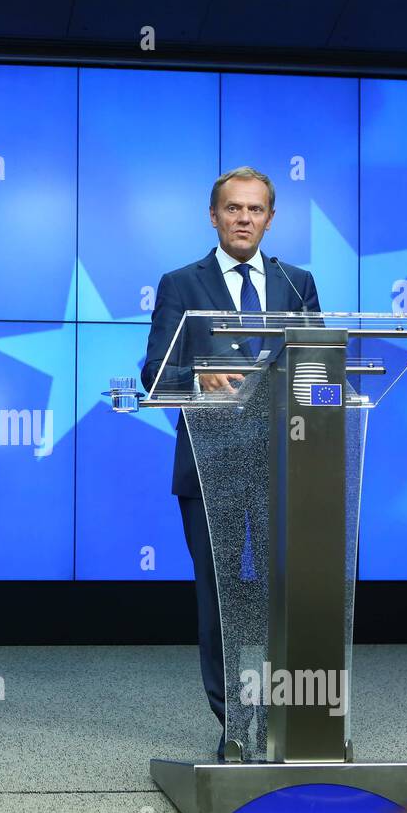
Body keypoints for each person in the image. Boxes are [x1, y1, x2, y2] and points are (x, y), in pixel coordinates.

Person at [141, 166, 319, 759]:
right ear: (213, 216)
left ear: (270, 217)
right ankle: (233, 724)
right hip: (209, 463)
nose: (244, 218)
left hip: (283, 464)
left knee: (280, 596)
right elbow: (156, 374)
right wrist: (199, 376)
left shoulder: (298, 284)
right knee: (220, 597)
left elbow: (317, 373)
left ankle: (281, 716)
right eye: (233, 209)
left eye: (256, 209)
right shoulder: (180, 284)